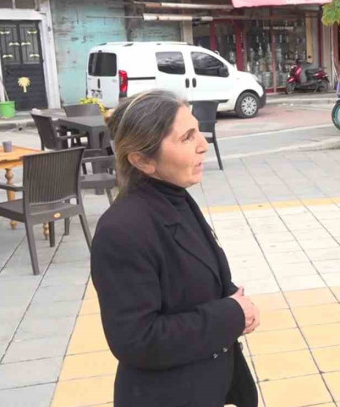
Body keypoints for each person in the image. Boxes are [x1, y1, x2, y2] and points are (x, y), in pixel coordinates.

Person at [91, 90, 260, 407]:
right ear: (142, 160)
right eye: (187, 138)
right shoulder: (122, 231)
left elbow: (188, 278)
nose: (203, 145)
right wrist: (230, 314)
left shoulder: (174, 197)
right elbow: (136, 340)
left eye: (197, 130)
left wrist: (235, 299)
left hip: (205, 384)